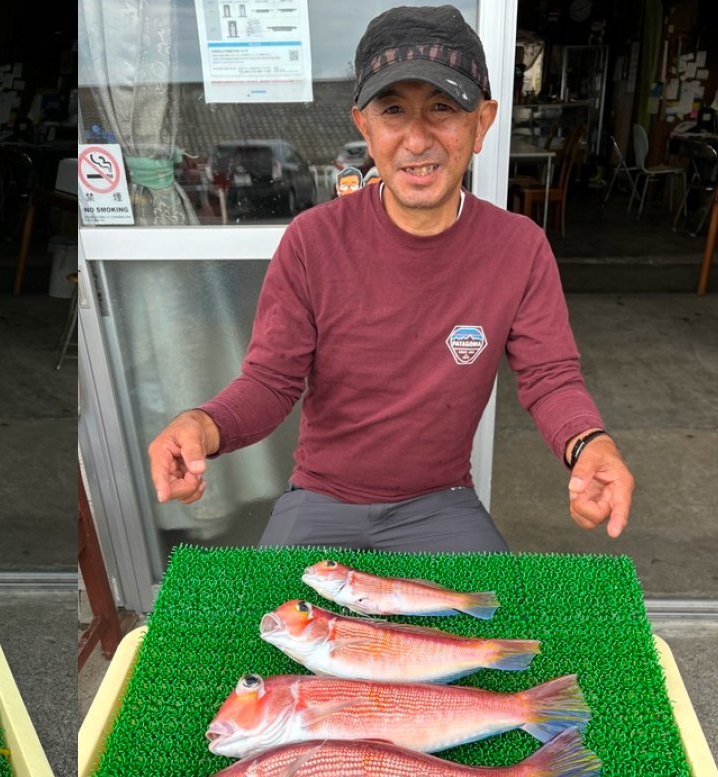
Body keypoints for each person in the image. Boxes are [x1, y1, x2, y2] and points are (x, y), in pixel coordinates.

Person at [147, 5, 633, 553]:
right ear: (364, 125)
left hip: (441, 501)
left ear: (483, 122)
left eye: (443, 108)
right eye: (394, 109)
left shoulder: (518, 247)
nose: (417, 139)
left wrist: (591, 444)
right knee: (274, 633)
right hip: (320, 498)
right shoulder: (313, 240)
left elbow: (550, 378)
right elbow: (270, 382)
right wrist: (201, 426)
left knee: (497, 629)